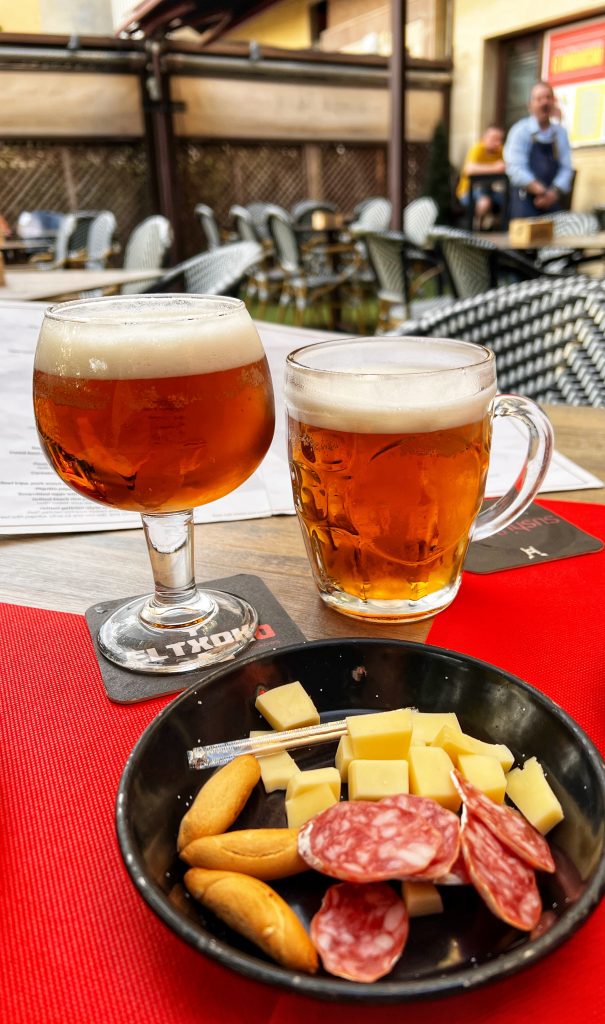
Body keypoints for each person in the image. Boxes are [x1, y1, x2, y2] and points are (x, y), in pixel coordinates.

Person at [504, 81, 573, 219]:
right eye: (539, 99)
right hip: (524, 201)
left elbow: (566, 168)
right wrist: (540, 190)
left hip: (552, 201)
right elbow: (514, 168)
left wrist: (553, 193)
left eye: (548, 97)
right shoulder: (520, 131)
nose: (544, 102)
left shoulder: (560, 133)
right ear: (530, 105)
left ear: (553, 102)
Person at [455, 125, 506, 229]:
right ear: (484, 138)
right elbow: (469, 169)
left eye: (499, 139)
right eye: (494, 139)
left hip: (491, 190)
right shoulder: (478, 148)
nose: (497, 142)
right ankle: (478, 228)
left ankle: (498, 225)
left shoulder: (501, 150)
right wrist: (495, 167)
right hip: (468, 191)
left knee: (507, 199)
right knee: (484, 202)